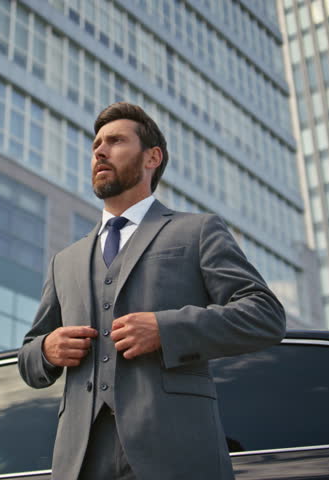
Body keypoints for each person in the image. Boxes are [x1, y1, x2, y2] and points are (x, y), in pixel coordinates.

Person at [18, 102, 286, 480]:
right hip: (80, 461)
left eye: (115, 141)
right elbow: (28, 359)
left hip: (177, 456)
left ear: (152, 157)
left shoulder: (197, 231)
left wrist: (166, 330)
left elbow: (265, 315)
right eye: (96, 144)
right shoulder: (66, 260)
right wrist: (47, 350)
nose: (99, 151)